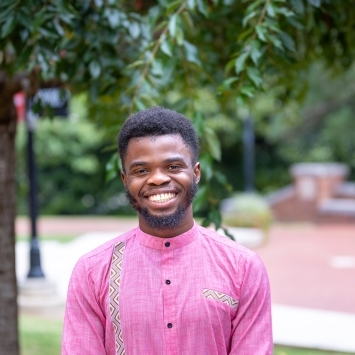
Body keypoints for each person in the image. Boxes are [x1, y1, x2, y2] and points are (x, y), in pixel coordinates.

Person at [62, 107, 273, 355]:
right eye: (141, 171)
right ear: (125, 180)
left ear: (195, 173)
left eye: (173, 167)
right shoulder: (92, 272)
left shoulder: (242, 268)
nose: (158, 179)